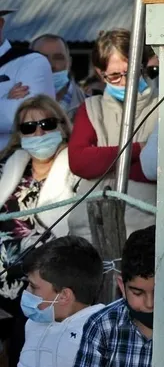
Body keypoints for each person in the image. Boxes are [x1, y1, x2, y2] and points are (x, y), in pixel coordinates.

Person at [0, 96, 80, 364]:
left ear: (62, 126)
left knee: (23, 355)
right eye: (29, 127)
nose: (38, 132)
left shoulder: (76, 170)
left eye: (46, 124)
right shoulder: (8, 167)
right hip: (2, 282)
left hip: (43, 287)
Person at [67, 29, 156, 242]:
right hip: (92, 228)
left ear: (143, 65)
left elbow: (161, 167)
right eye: (115, 76)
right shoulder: (90, 108)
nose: (125, 81)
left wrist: (103, 164)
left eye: (131, 72)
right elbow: (79, 161)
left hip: (146, 230)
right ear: (100, 73)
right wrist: (139, 150)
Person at [18, 235, 105, 367]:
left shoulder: (98, 335)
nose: (27, 292)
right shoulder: (34, 323)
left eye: (33, 287)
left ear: (64, 295)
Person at [75, 225, 155, 367]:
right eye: (137, 293)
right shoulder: (102, 326)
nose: (150, 304)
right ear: (122, 287)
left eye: (158, 293)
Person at [0, 9, 55, 154]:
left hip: (15, 165)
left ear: (0, 23)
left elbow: (26, 117)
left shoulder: (31, 62)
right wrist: (5, 101)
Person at [31, 34, 86, 122]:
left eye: (58, 58)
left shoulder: (91, 107)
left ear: (69, 62)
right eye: (42, 58)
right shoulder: (14, 104)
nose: (50, 65)